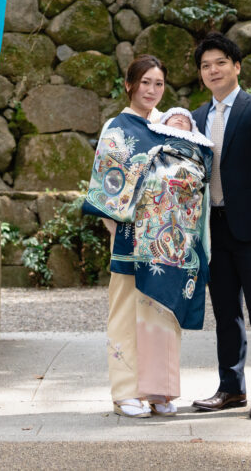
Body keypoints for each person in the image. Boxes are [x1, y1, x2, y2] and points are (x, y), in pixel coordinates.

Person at [82, 57, 213, 418]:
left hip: (170, 238)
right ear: (129, 85)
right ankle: (125, 391)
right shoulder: (118, 125)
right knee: (125, 310)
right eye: (145, 83)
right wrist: (121, 224)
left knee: (163, 310)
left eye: (158, 84)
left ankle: (159, 389)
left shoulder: (174, 125)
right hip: (129, 233)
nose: (152, 91)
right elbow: (108, 179)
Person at [189, 32, 251, 419]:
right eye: (205, 65)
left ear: (237, 66)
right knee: (226, 311)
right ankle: (230, 388)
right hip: (212, 228)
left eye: (220, 63)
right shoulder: (196, 118)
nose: (213, 70)